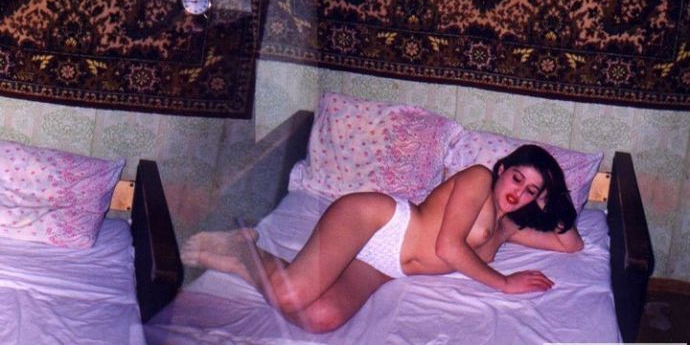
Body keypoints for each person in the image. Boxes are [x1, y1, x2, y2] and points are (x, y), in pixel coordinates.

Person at [181, 144, 584, 333]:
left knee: (320, 319)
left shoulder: (509, 228)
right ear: (502, 169)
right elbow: (447, 247)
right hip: (376, 221)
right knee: (291, 296)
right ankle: (242, 248)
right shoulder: (478, 178)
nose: (518, 192)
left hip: (385, 267)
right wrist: (504, 283)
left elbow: (571, 245)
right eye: (517, 178)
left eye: (531, 190)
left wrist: (554, 200)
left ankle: (243, 253)